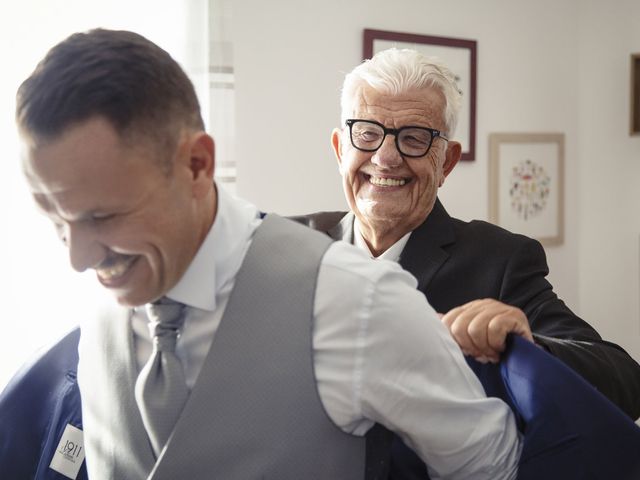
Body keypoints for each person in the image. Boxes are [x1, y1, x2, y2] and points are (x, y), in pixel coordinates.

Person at [0, 29, 522, 480]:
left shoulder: (359, 303)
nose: (78, 257)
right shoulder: (95, 302)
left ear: (198, 165)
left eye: (104, 217)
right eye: (55, 217)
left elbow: (492, 467)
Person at [294, 48, 640, 478]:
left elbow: (625, 380)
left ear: (447, 162)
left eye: (415, 137)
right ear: (339, 147)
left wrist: (527, 346)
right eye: (367, 133)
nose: (385, 157)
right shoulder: (290, 249)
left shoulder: (501, 260)